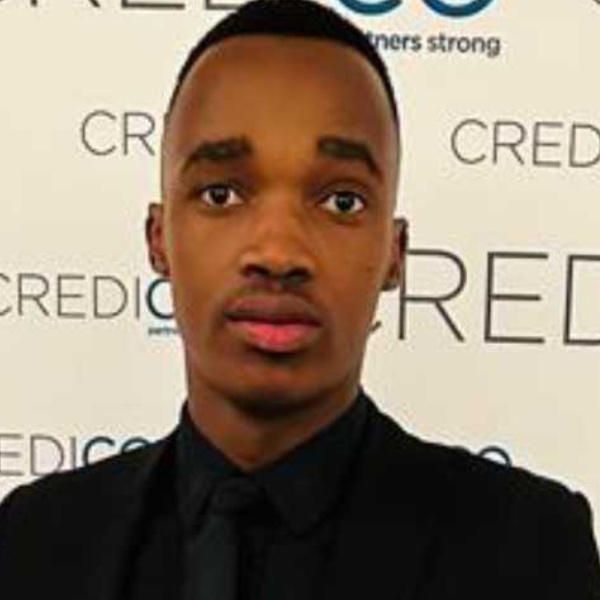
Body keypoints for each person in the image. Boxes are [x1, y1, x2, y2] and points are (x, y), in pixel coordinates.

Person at [0, 0, 599, 597]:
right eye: (221, 194)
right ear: (159, 238)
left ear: (395, 252)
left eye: (341, 201)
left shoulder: (532, 551)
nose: (278, 253)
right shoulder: (33, 540)